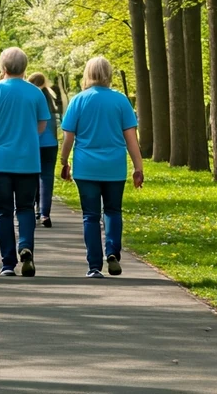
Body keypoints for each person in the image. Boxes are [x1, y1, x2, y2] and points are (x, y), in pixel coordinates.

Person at [59, 57, 145, 278]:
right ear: (109, 74)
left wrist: (64, 161)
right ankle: (113, 252)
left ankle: (94, 266)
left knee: (90, 216)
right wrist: (138, 168)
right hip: (114, 167)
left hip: (86, 167)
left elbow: (68, 137)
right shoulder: (121, 101)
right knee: (113, 211)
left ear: (87, 74)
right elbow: (131, 139)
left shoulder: (78, 100)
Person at [0, 47, 50, 277]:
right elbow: (42, 124)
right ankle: (25, 246)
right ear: (25, 67)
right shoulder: (35, 93)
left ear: (3, 67)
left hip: (1, 160)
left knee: (4, 212)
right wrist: (28, 134)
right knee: (25, 208)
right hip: (28, 159)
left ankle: (8, 263)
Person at [29, 72, 61, 228]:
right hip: (50, 143)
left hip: (32, 143)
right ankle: (44, 213)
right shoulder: (50, 97)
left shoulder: (30, 97)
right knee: (46, 178)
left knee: (31, 176)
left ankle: (33, 210)